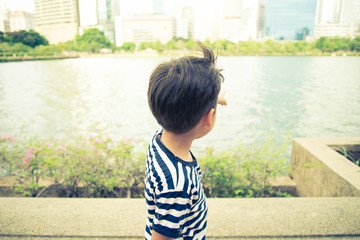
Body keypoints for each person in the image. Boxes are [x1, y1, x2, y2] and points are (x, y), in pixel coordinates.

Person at [145, 41, 226, 240]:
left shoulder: (160, 137)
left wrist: (215, 99)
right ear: (209, 118)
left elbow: (180, 102)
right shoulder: (178, 185)